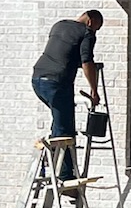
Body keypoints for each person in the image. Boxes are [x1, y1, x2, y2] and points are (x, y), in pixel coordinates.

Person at [31, 11, 103, 170]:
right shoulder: (86, 33)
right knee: (65, 131)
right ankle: (63, 176)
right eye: (96, 28)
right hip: (57, 83)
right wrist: (94, 91)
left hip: (37, 79)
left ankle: (48, 159)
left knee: (59, 121)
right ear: (90, 21)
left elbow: (63, 53)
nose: (94, 32)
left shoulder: (59, 25)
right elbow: (87, 61)